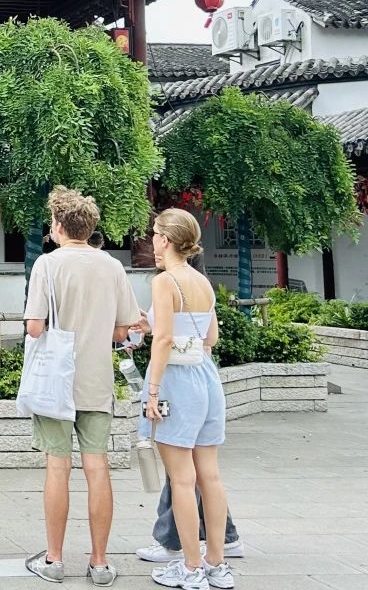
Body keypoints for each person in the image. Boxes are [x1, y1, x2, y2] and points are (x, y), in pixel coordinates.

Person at [23, 187, 141, 587]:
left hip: (56, 383)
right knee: (97, 466)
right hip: (96, 379)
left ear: (58, 225)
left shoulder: (47, 264)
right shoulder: (112, 266)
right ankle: (100, 563)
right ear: (89, 227)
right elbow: (121, 332)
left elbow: (35, 327)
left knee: (58, 465)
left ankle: (54, 559)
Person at [141, 208, 234, 590]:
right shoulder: (203, 282)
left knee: (181, 479)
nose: (152, 240)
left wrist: (152, 391)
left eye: (155, 234)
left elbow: (163, 339)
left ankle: (191, 568)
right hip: (207, 378)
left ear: (165, 240)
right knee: (209, 476)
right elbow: (211, 338)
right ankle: (217, 564)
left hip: (176, 381)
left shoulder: (165, 282)